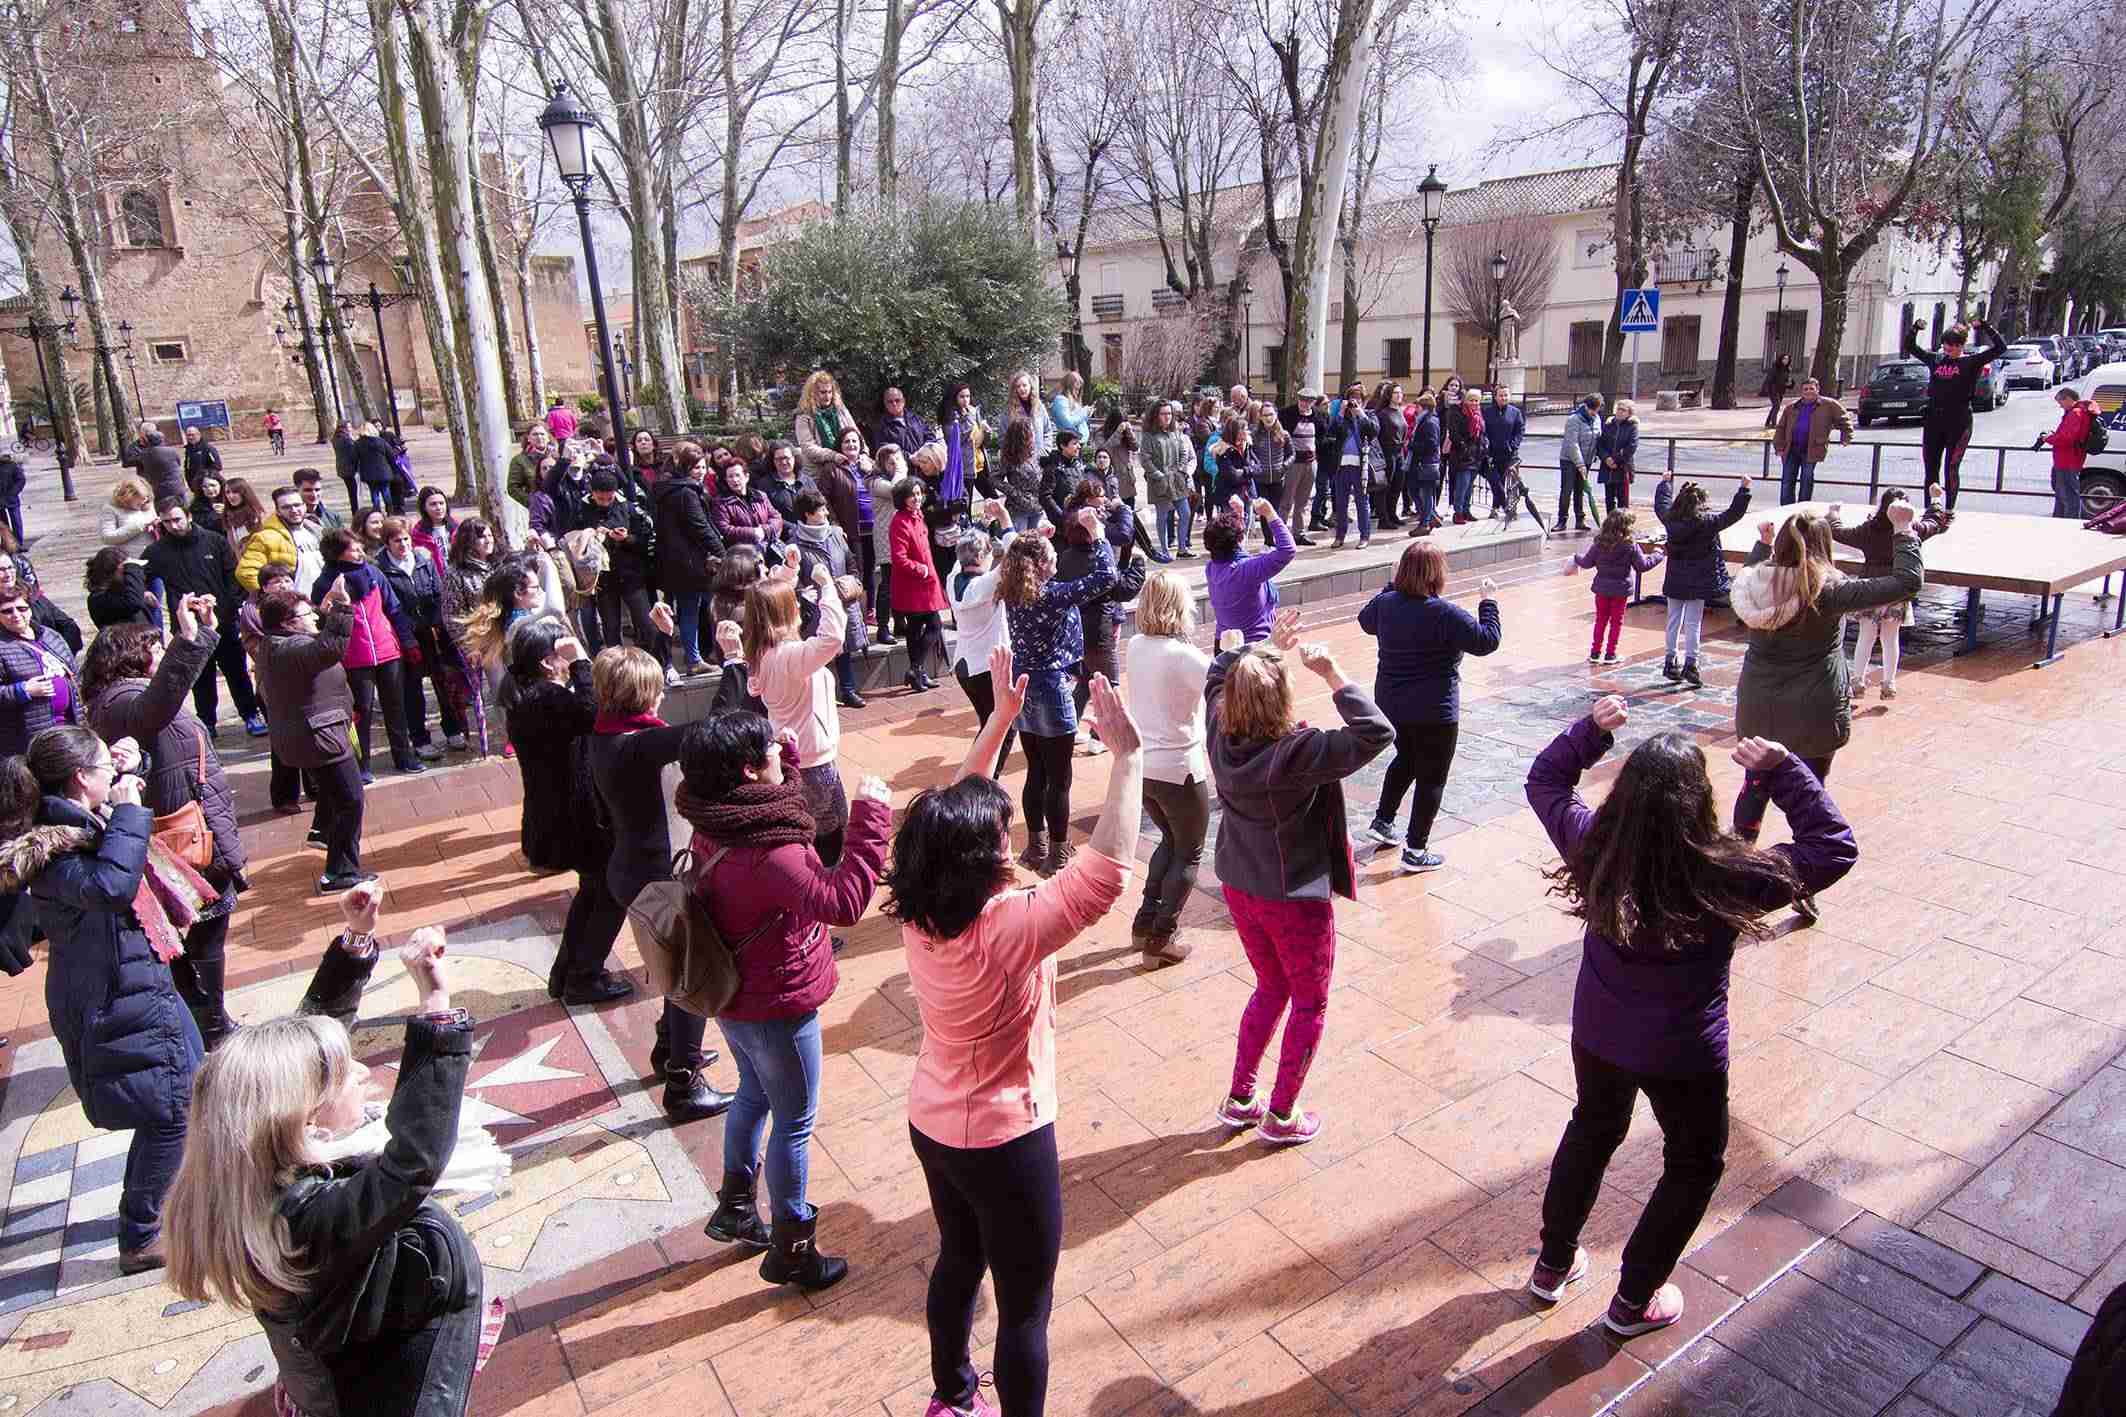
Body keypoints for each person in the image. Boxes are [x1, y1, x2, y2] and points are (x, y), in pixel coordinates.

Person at [1523, 694, 1857, 1337]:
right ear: (1698, 802)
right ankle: (1633, 1300)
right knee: (1695, 1161)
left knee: (1592, 1128)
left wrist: (1589, 734)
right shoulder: (1730, 873)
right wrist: (1785, 772)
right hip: (1684, 1051)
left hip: (1598, 1032)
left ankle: (1551, 1264)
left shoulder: (1594, 844)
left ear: (1625, 797)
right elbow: (1832, 848)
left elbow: (1544, 781)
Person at [885, 650, 1141, 1417]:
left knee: (959, 1258)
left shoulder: (921, 907)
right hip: (1006, 1137)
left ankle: (952, 1397)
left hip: (933, 1121)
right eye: (1002, 840)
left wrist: (997, 721)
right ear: (979, 862)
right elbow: (1105, 874)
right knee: (1026, 1306)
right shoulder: (1005, 927)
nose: (1011, 841)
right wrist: (1128, 758)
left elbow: (954, 813)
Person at [165, 910, 495, 1417]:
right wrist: (435, 1004)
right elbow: (414, 1162)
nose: (362, 1071)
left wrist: (355, 943)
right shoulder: (307, 1217)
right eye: (346, 1074)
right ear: (306, 1118)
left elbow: (294, 1056)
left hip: (329, 1370)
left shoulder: (249, 1175)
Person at [678, 711, 890, 1287]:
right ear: (749, 771)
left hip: (733, 996)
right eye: (769, 751)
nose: (778, 752)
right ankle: (792, 1246)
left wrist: (786, 762)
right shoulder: (770, 854)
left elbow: (779, 809)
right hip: (778, 1003)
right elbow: (842, 899)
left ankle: (736, 1205)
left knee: (753, 1092)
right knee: (795, 1122)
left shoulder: (719, 818)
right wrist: (871, 819)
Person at [0, 732, 201, 1275]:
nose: (110, 774)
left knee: (188, 1086)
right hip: (113, 994)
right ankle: (141, 1233)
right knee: (170, 1109)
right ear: (78, 780)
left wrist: (127, 776)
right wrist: (131, 812)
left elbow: (116, 847)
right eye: (101, 767)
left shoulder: (81, 819)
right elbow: (113, 882)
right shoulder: (53, 849)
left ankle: (176, 1200)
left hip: (138, 977)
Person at [1209, 614, 1393, 1142]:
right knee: (1309, 1001)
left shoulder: (1219, 732)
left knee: (1270, 986)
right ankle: (1282, 1114)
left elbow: (1218, 673)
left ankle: (1242, 1096)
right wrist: (1332, 671)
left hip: (1240, 882)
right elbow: (1377, 732)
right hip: (1291, 897)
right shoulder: (1297, 753)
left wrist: (1262, 647)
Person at [83, 603, 247, 1047]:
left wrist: (205, 634)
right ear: (130, 655)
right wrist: (188, 639)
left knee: (200, 937)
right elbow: (155, 708)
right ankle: (210, 1028)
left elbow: (166, 695)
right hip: (178, 834)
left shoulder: (132, 692)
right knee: (201, 937)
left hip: (190, 822)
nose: (161, 654)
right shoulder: (119, 701)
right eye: (156, 647)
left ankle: (209, 1018)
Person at [583, 645, 734, 1120]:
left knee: (673, 969)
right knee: (691, 976)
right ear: (642, 694)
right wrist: (732, 662)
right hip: (656, 877)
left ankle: (669, 1048)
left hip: (632, 870)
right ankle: (684, 1083)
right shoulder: (638, 745)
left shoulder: (605, 733)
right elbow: (715, 731)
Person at [1729, 505, 1923, 870]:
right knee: (1808, 794)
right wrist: (1904, 531)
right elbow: (1906, 583)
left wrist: (1761, 545)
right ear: (1825, 546)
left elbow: (1744, 581)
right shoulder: (1830, 590)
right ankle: (1806, 874)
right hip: (1814, 711)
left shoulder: (1757, 583)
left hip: (1759, 708)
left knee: (1755, 785)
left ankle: (1734, 866)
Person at [496, 620, 634, 1002]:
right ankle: (584, 975)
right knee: (608, 892)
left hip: (562, 817)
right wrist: (582, 664)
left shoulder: (530, 697)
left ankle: (568, 972)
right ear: (546, 663)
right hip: (576, 819)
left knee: (593, 891)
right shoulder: (546, 699)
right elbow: (593, 713)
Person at [1359, 546, 1501, 871]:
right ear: (1438, 575)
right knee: (1432, 779)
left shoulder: (1386, 604)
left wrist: (1391, 586)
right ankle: (1416, 851)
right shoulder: (1445, 613)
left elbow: (1365, 621)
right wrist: (1488, 602)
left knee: (1406, 759)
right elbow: (1487, 641)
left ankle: (1383, 820)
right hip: (1435, 711)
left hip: (1392, 706)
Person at [998, 512, 1115, 874]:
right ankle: (1059, 855)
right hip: (1051, 687)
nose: (1055, 559)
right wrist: (1097, 536)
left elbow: (1012, 545)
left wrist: (1036, 537)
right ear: (1040, 565)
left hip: (1024, 685)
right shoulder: (1052, 595)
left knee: (1036, 771)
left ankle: (1035, 848)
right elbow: (1106, 577)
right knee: (1059, 779)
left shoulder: (1013, 592)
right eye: (1050, 555)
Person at [259, 586, 372, 891]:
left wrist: (323, 611)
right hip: (320, 737)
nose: (313, 617)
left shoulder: (275, 644)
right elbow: (328, 648)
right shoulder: (288, 649)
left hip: (315, 733)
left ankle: (323, 834)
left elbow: (317, 640)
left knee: (335, 794)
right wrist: (342, 609)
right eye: (306, 613)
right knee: (350, 799)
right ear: (288, 622)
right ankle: (340, 872)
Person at [1124, 570, 1209, 965]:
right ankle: (1162, 936)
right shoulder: (1185, 655)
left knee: (1169, 842)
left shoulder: (1137, 644)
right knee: (1189, 851)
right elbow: (1228, 684)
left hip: (1145, 766)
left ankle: (1144, 922)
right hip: (1180, 767)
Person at [744, 558, 854, 862]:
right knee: (827, 836)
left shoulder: (762, 651)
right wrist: (827, 587)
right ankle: (823, 894)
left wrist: (790, 571)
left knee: (806, 828)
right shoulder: (789, 656)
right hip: (813, 761)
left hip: (794, 753)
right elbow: (832, 638)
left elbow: (768, 595)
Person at [145, 498, 266, 737]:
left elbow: (234, 576)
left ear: (188, 516)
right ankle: (207, 722)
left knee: (236, 670)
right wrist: (147, 592)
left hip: (223, 619)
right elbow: (141, 573)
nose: (174, 525)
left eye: (177, 519)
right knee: (200, 675)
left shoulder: (214, 541)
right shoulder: (157, 551)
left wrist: (227, 605)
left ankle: (250, 714)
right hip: (188, 624)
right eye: (167, 521)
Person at [312, 527, 422, 780]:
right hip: (354, 657)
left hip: (387, 651)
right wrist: (332, 599)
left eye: (359, 546)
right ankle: (361, 765)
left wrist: (407, 641)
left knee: (396, 707)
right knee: (360, 712)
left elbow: (393, 608)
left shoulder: (373, 574)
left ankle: (404, 756)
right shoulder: (324, 583)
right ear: (338, 554)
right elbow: (321, 619)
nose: (360, 551)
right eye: (353, 549)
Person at [1829, 485, 1952, 701]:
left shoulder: (1869, 529)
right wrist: (1935, 500)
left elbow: (1838, 532)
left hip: (1870, 589)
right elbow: (1935, 522)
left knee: (1866, 636)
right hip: (1896, 592)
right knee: (1890, 638)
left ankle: (1857, 680)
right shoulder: (1910, 529)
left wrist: (1833, 514)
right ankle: (1889, 683)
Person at [1055, 480, 1145, 748]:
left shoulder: (1066, 557)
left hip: (1077, 632)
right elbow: (1123, 588)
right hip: (1099, 631)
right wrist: (1138, 563)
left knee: (1085, 680)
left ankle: (1065, 731)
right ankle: (1101, 737)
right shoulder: (1098, 558)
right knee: (1109, 685)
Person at [376, 516, 467, 757]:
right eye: (397, 541)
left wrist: (443, 625)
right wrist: (408, 639)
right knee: (412, 690)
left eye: (405, 539)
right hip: (406, 636)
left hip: (435, 632)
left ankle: (453, 729)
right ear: (387, 543)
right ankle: (419, 739)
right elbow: (389, 608)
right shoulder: (381, 569)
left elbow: (439, 593)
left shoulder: (424, 559)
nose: (403, 545)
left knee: (445, 683)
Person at [1653, 475, 1754, 688]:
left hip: (1675, 579)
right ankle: (1691, 664)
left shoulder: (1670, 520)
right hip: (1698, 581)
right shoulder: (1707, 523)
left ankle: (1670, 662)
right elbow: (1733, 514)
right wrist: (1743, 490)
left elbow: (1661, 504)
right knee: (1693, 623)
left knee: (1673, 621)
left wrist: (1665, 483)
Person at [1904, 318, 2005, 508]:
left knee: (1951, 467)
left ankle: (1949, 508)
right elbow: (1910, 346)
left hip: (1959, 420)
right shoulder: (1936, 360)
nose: (1949, 348)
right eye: (1946, 344)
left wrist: (1985, 327)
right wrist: (1915, 328)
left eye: (1954, 345)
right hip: (1934, 419)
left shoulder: (1972, 361)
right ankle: (1932, 508)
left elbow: (2000, 348)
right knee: (1931, 468)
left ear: (1962, 345)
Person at [948, 510, 1017, 777]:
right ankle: (983, 779)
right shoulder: (986, 584)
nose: (992, 558)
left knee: (989, 722)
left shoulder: (953, 577)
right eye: (989, 553)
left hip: (966, 667)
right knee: (1002, 725)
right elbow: (1015, 552)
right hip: (986, 667)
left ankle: (978, 776)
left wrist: (984, 526)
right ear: (981, 557)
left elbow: (963, 550)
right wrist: (1005, 520)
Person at [650, 443, 724, 675]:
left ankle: (699, 655)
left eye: (702, 467)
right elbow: (700, 527)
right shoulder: (686, 492)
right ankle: (694, 659)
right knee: (692, 610)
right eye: (694, 467)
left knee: (692, 609)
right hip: (690, 563)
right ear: (683, 467)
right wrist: (724, 553)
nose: (700, 472)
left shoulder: (667, 488)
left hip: (674, 562)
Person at [790, 490, 868, 708]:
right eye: (821, 509)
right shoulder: (795, 543)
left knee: (843, 645)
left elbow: (851, 563)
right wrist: (804, 593)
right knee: (818, 650)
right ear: (808, 514)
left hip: (842, 601)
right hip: (815, 607)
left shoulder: (835, 534)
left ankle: (848, 689)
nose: (826, 512)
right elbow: (793, 579)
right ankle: (819, 694)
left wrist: (852, 582)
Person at [576, 469, 661, 665]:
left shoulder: (628, 508)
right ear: (592, 493)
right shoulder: (581, 509)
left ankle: (657, 664)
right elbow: (573, 538)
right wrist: (592, 534)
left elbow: (645, 540)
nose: (605, 502)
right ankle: (616, 669)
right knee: (611, 627)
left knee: (646, 623)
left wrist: (626, 539)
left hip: (631, 574)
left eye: (609, 498)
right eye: (600, 498)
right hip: (602, 578)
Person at [1568, 509, 1664, 664]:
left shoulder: (1599, 543)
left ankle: (1595, 652)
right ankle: (1610, 653)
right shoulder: (1629, 545)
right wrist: (1658, 554)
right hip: (1620, 589)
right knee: (1616, 621)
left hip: (1602, 588)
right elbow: (1642, 565)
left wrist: (1575, 558)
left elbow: (1586, 562)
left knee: (1601, 620)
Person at [0, 583, 79, 757]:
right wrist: (23, 690)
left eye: (21, 608)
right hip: (31, 739)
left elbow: (75, 674)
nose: (16, 615)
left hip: (70, 726)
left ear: (30, 609)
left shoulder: (50, 635)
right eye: (7, 611)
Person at [1204, 494, 1295, 645]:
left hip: (1224, 646)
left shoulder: (1212, 568)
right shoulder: (1246, 571)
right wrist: (1270, 514)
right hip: (1255, 651)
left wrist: (1239, 513)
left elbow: (1235, 549)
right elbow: (1287, 550)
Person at [889, 477, 948, 693]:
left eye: (918, 493)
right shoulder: (900, 521)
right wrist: (920, 569)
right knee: (931, 626)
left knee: (922, 628)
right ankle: (916, 669)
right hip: (914, 584)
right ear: (903, 498)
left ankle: (917, 671)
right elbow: (899, 557)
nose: (917, 498)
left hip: (925, 582)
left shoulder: (918, 516)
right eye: (912, 494)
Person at [1770, 377, 1854, 505]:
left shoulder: (1829, 405)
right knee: (1787, 481)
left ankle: (1803, 509)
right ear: (1801, 391)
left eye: (1811, 389)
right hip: (1791, 449)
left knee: (1806, 479)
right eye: (1805, 389)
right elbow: (1781, 428)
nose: (1808, 391)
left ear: (1817, 390)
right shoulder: (1791, 407)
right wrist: (1779, 447)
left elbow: (1844, 419)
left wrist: (1846, 436)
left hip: (1812, 448)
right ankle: (1786, 510)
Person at [1325, 379, 1380, 549]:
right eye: (1352, 399)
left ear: (1363, 401)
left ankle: (1364, 536)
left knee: (1362, 502)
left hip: (1360, 467)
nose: (1354, 403)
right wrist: (1341, 412)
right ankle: (1340, 536)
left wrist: (1360, 413)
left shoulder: (1368, 415)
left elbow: (1374, 431)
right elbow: (1331, 432)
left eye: (1358, 399)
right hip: (1342, 466)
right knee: (1340, 503)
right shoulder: (1342, 417)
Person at [1139, 401, 1197, 557]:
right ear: (1156, 416)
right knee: (1163, 516)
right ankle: (1164, 550)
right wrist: (1158, 475)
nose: (1167, 417)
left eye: (1169, 414)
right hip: (1159, 481)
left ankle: (1182, 548)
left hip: (1177, 479)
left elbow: (1184, 452)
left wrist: (1182, 471)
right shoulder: (1149, 436)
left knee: (1185, 513)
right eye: (1163, 414)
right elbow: (1145, 459)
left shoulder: (1176, 433)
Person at [2039, 385, 2100, 519]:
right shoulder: (2080, 412)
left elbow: (2067, 438)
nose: (2060, 406)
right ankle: (2060, 519)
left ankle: (2068, 523)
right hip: (2070, 459)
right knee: (2063, 494)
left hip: (2067, 460)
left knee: (2068, 495)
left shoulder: (2075, 413)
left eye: (2060, 402)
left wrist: (2048, 438)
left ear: (2067, 399)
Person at [1277, 388, 1326, 545]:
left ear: (1313, 402)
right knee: (1286, 501)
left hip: (1311, 462)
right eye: (1302, 400)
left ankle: (1299, 533)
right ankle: (1280, 534)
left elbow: (1322, 435)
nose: (1305, 404)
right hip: (1293, 463)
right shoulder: (1287, 414)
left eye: (1308, 401)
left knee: (1303, 501)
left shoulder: (1318, 416)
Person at [792, 369, 864, 475]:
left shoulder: (840, 409)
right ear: (812, 393)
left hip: (848, 464)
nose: (827, 396)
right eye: (823, 392)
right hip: (819, 471)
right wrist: (833, 456)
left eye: (830, 392)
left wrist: (864, 454)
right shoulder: (803, 415)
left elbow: (856, 434)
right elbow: (808, 448)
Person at [1445, 387, 1490, 524]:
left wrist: (1484, 446)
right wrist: (1464, 447)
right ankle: (1458, 512)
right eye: (1471, 400)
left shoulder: (1478, 414)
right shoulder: (1457, 412)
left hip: (1476, 455)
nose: (1474, 403)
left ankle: (1466, 510)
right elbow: (1454, 433)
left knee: (1470, 486)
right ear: (1466, 400)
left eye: (1477, 401)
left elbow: (1482, 432)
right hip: (1462, 455)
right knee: (1462, 486)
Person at [1480, 385, 1526, 522]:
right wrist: (1486, 444)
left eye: (1506, 395)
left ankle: (1502, 508)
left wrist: (1513, 445)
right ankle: (1504, 506)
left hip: (1509, 454)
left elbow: (1520, 430)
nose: (1503, 398)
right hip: (1491, 455)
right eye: (1501, 395)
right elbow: (1484, 431)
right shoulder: (1487, 412)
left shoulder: (1515, 412)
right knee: (1495, 481)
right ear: (1495, 397)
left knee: (1507, 483)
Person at [1559, 394, 1602, 532]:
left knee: (1580, 490)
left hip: (1587, 460)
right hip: (1570, 460)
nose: (1594, 413)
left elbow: (1597, 437)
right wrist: (1580, 464)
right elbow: (1572, 443)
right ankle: (1562, 520)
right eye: (1592, 410)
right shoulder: (1574, 419)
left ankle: (1580, 520)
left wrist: (1593, 456)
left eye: (1596, 410)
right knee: (1567, 490)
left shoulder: (1597, 419)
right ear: (1585, 406)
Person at [1405, 391, 1445, 536]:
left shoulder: (1429, 422)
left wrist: (1411, 445)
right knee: (1414, 490)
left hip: (1426, 464)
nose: (1416, 409)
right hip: (1422, 464)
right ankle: (1430, 517)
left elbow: (1432, 444)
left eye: (1418, 407)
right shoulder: (1424, 420)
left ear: (1424, 407)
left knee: (1425, 494)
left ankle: (1425, 523)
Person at [86, 548, 155, 629]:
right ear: (117, 570)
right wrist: (133, 568)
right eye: (125, 571)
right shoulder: (97, 599)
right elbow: (133, 603)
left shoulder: (120, 593)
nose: (127, 576)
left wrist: (141, 594)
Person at [758, 439, 817, 529]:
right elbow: (767, 515)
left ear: (794, 458)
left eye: (786, 458)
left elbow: (819, 507)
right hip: (785, 538)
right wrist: (794, 529)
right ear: (772, 461)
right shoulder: (764, 485)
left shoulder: (807, 481)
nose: (784, 462)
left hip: (813, 532)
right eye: (778, 459)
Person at [1598, 399, 1640, 512]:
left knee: (1623, 500)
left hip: (1622, 467)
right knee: (1609, 499)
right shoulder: (1608, 425)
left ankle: (1622, 526)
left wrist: (1615, 460)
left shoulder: (1632, 426)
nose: (1620, 412)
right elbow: (1600, 444)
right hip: (1607, 467)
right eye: (1618, 409)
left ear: (1629, 413)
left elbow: (1631, 446)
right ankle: (1610, 524)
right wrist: (1606, 458)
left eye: (1623, 410)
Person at [1004, 368, 1054, 459]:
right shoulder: (1008, 410)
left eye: (1024, 385)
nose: (1022, 389)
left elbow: (1047, 430)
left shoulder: (1039, 407)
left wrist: (1045, 450)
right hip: (1018, 461)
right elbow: (1003, 436)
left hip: (1039, 458)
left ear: (1030, 386)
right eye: (1018, 386)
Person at [133, 426, 187, 505]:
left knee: (163, 510)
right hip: (176, 486)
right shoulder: (171, 451)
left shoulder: (144, 454)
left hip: (158, 489)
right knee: (183, 508)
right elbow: (178, 463)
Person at [221, 477, 269, 558]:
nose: (231, 496)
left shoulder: (257, 515)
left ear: (244, 493)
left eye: (235, 492)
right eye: (227, 492)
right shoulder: (228, 516)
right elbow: (234, 547)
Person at [294, 466, 346, 534]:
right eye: (308, 490)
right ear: (297, 490)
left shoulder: (333, 517)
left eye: (317, 490)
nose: (314, 495)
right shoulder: (291, 519)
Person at [1048, 370, 1092, 449]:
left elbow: (1077, 420)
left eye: (1079, 389)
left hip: (1078, 442)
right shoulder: (1060, 400)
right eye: (1076, 389)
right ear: (1069, 388)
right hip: (1069, 444)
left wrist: (1087, 414)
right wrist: (1084, 413)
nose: (1077, 392)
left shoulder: (1070, 401)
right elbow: (1068, 422)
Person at [330, 421, 361, 520]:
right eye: (349, 427)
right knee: (354, 492)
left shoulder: (336, 438)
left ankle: (355, 510)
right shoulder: (347, 440)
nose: (351, 428)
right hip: (350, 468)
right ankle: (355, 511)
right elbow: (353, 453)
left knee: (351, 490)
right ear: (344, 428)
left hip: (341, 467)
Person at [1760, 351, 1794, 429]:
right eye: (1784, 359)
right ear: (1780, 359)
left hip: (1781, 390)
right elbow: (1769, 379)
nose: (1786, 360)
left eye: (1787, 359)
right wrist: (1766, 390)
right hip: (1773, 390)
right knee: (1777, 406)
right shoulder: (1775, 368)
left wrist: (1790, 384)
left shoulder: (1787, 369)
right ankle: (1773, 424)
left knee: (1775, 406)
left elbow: (1787, 380)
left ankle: (1767, 422)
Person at [188, 469, 226, 537]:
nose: (209, 489)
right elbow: (198, 525)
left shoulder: (230, 500)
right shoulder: (197, 506)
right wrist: (214, 514)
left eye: (213, 485)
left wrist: (226, 512)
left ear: (220, 484)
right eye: (204, 486)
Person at [0, 451, 21, 543]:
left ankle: (19, 542)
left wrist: (13, 492)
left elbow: (21, 479)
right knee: (4, 524)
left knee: (16, 521)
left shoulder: (11, 465)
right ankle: (9, 543)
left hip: (11, 498)